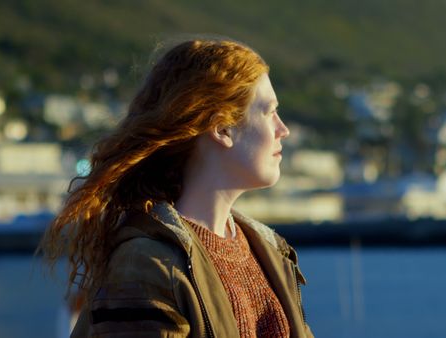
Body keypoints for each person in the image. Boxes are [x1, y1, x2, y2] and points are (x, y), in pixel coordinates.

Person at [39, 38, 313, 338]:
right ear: (222, 129)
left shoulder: (271, 253)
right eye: (269, 111)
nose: (282, 129)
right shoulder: (146, 264)